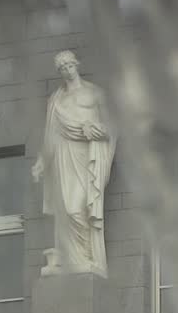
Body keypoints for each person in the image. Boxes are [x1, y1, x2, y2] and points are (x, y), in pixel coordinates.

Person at [32, 50, 116, 277]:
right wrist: (41, 162)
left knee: (78, 207)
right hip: (63, 154)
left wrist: (95, 129)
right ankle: (74, 258)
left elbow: (111, 126)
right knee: (67, 210)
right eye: (63, 68)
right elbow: (50, 135)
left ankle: (87, 257)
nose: (67, 71)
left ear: (76, 65)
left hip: (86, 156)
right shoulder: (55, 100)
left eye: (70, 66)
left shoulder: (94, 93)